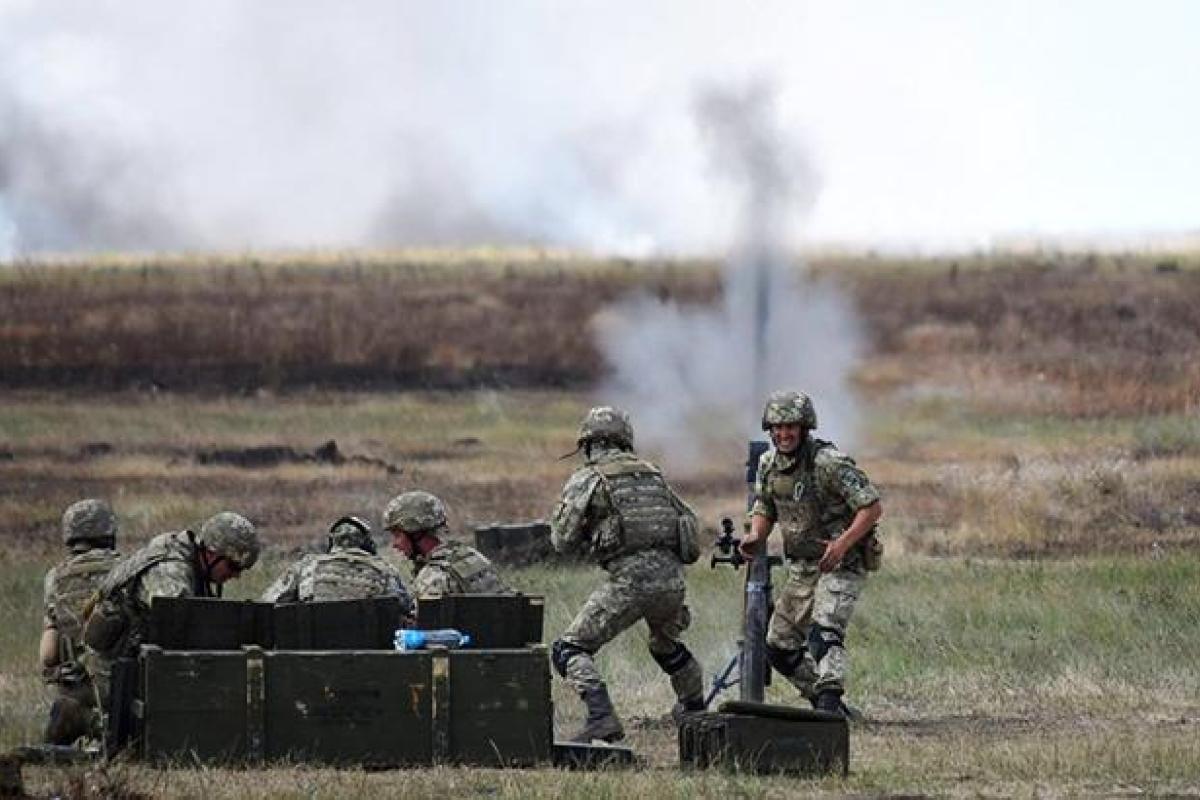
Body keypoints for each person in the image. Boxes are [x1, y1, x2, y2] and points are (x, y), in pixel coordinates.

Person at [548, 406, 704, 744]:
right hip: (672, 582)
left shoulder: (589, 477)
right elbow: (689, 523)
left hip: (630, 583)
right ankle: (695, 712)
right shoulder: (652, 473)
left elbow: (561, 540)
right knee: (665, 644)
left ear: (588, 443)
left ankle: (602, 719)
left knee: (569, 649)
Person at [738, 390, 883, 716]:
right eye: (776, 427)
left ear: (804, 428)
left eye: (790, 427)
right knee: (778, 645)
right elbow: (764, 504)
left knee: (825, 630)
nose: (783, 434)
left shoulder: (828, 463)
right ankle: (824, 704)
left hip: (841, 561)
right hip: (804, 565)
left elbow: (871, 506)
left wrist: (842, 544)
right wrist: (755, 536)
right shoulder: (768, 464)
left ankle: (830, 708)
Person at [82, 511, 260, 707]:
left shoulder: (191, 558)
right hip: (111, 671)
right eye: (233, 566)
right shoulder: (170, 572)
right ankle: (82, 717)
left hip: (134, 660)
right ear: (211, 553)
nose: (236, 576)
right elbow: (180, 633)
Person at [40, 499, 122, 745]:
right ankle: (110, 727)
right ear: (109, 531)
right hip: (124, 682)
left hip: (78, 686)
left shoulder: (56, 577)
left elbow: (48, 653)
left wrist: (53, 672)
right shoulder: (126, 568)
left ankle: (85, 720)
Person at [260, 515, 414, 620]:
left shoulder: (306, 566)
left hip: (311, 654)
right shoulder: (386, 571)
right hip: (369, 656)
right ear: (367, 544)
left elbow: (267, 604)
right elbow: (407, 609)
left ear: (332, 542)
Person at [382, 491, 510, 599]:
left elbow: (426, 626)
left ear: (414, 532)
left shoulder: (433, 576)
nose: (395, 544)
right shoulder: (471, 556)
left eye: (397, 535)